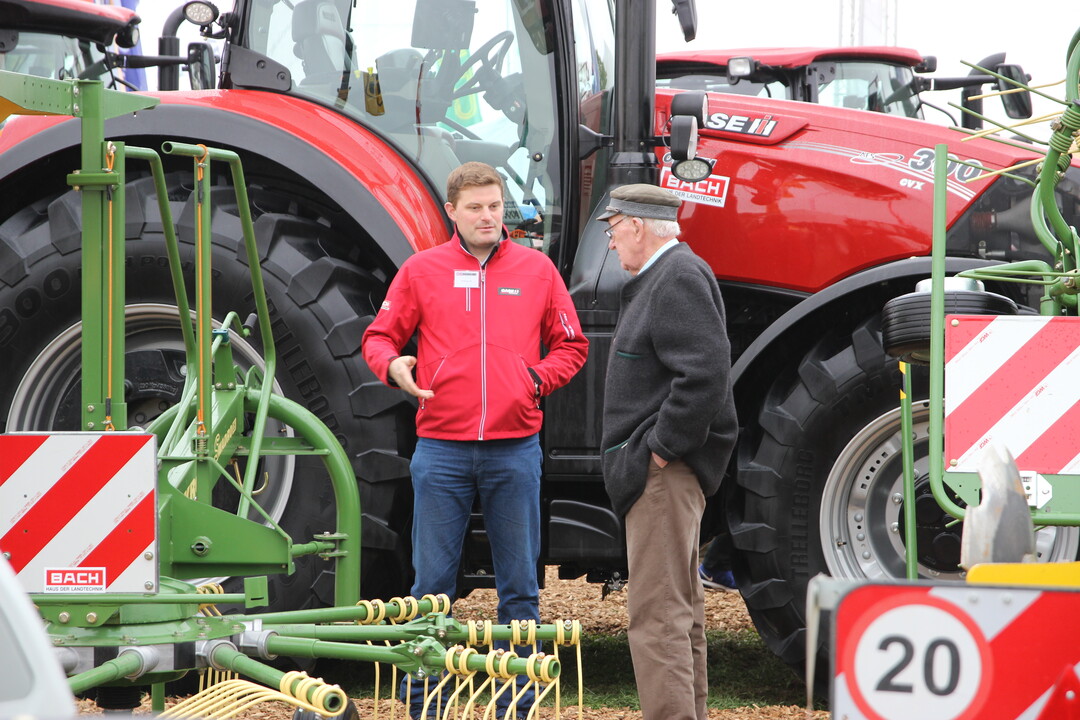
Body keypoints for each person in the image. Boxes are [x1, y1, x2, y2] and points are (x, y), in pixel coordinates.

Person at [361, 161, 589, 718]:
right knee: (431, 584)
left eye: (495, 206)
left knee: (520, 586)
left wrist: (535, 379)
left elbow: (572, 346)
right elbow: (378, 337)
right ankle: (424, 702)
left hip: (515, 449)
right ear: (452, 213)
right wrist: (394, 369)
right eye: (476, 208)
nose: (488, 217)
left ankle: (521, 698)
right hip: (440, 450)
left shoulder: (537, 271)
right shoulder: (421, 270)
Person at [598, 183, 738, 720]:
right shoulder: (672, 274)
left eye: (612, 229)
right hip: (667, 475)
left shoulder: (675, 276)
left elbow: (704, 376)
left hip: (664, 477)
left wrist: (658, 451)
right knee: (678, 613)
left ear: (635, 225)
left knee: (657, 619)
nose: (611, 243)